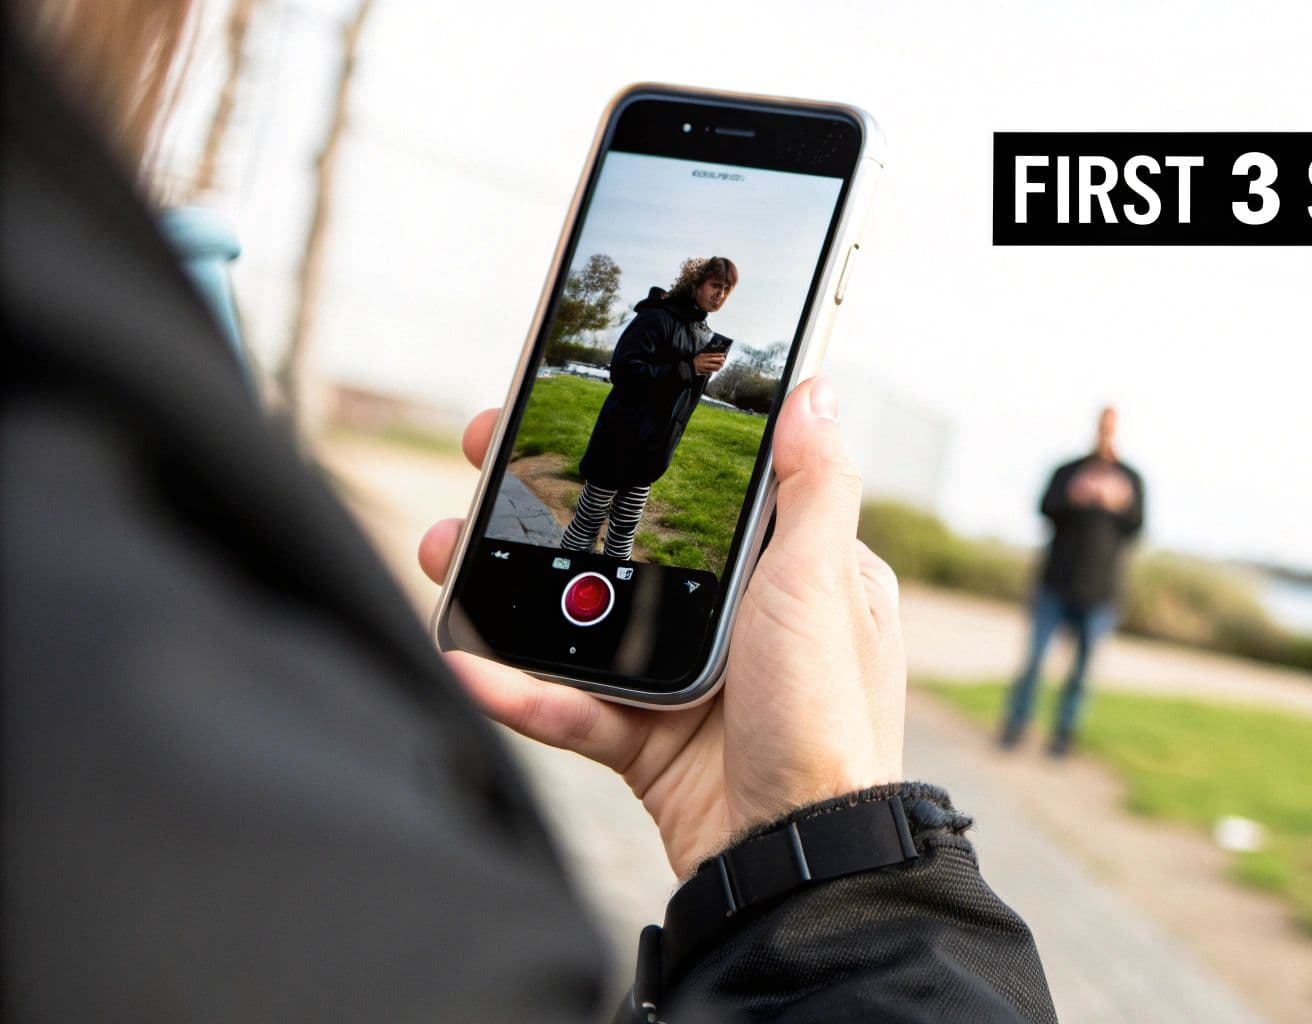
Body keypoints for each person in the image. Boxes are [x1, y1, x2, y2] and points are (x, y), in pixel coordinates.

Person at [1, 6, 1056, 1021]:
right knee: (594, 515)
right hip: (622, 432)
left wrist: (703, 375)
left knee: (622, 512)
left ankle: (587, 581)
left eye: (729, 299)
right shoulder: (650, 314)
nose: (719, 304)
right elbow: (629, 365)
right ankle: (576, 574)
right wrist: (846, 882)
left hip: (655, 444)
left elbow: (679, 383)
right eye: (717, 290)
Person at [560, 259, 736, 558]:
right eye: (715, 286)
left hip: (653, 448)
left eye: (726, 289)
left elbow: (679, 397)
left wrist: (698, 370)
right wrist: (687, 367)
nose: (720, 295)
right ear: (696, 284)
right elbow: (624, 371)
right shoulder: (656, 317)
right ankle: (561, 575)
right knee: (588, 521)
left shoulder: (700, 331)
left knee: (626, 526)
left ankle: (616, 586)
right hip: (618, 440)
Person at [1000, 407, 1145, 757]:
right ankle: (1015, 727)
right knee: (1034, 662)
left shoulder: (1131, 479)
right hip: (1055, 584)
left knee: (1081, 673)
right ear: (1095, 427)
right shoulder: (1068, 471)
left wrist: (1119, 503)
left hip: (1100, 593)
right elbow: (1044, 509)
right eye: (1103, 426)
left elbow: (1137, 527)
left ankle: (1062, 737)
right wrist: (1074, 496)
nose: (1106, 433)